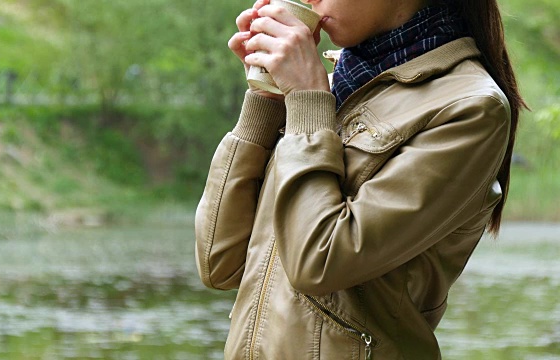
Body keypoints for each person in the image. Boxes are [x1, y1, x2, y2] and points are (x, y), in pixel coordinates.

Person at [195, 0, 526, 358]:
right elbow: (220, 263)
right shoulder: (338, 83)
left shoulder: (470, 108)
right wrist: (267, 99)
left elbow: (318, 264)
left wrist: (307, 99)